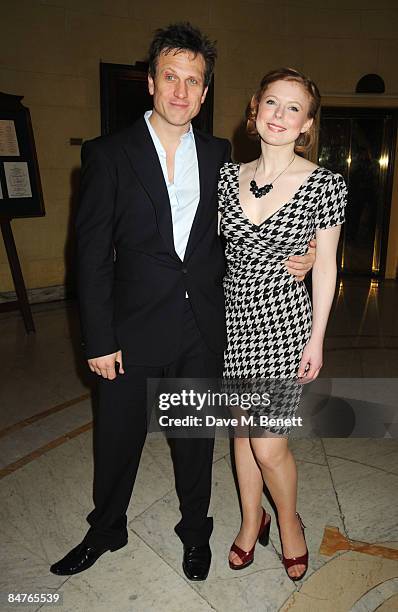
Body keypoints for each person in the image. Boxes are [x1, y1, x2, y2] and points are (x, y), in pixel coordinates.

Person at [50, 25, 314, 581]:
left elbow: (253, 232)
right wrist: (99, 339)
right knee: (117, 441)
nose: (180, 90)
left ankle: (196, 531)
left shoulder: (222, 157)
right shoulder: (109, 154)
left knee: (193, 443)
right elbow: (91, 254)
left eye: (193, 81)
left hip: (200, 328)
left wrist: (305, 255)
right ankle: (107, 529)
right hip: (129, 330)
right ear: (151, 83)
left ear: (203, 92)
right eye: (170, 76)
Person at [218, 68, 346, 581]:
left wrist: (317, 338)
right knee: (242, 430)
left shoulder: (324, 184)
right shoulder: (226, 177)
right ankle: (253, 519)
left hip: (283, 323)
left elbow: (329, 265)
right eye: (272, 102)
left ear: (307, 123)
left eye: (294, 108)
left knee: (268, 442)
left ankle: (288, 522)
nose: (280, 115)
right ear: (255, 109)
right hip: (230, 322)